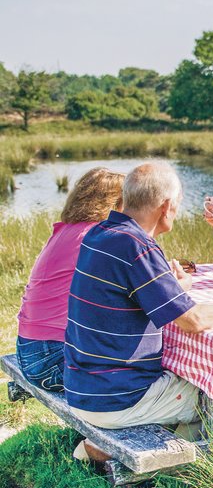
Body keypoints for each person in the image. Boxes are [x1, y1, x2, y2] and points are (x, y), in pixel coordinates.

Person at [64, 162, 213, 458]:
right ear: (166, 207)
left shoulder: (100, 234)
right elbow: (193, 320)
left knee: (193, 374)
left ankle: (111, 444)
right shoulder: (137, 246)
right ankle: (164, 460)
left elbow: (130, 295)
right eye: (178, 204)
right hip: (116, 397)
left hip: (81, 386)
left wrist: (173, 287)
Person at [15, 167, 126, 392]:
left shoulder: (66, 231)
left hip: (30, 350)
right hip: (53, 359)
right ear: (115, 204)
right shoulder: (95, 237)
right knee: (143, 365)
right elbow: (133, 293)